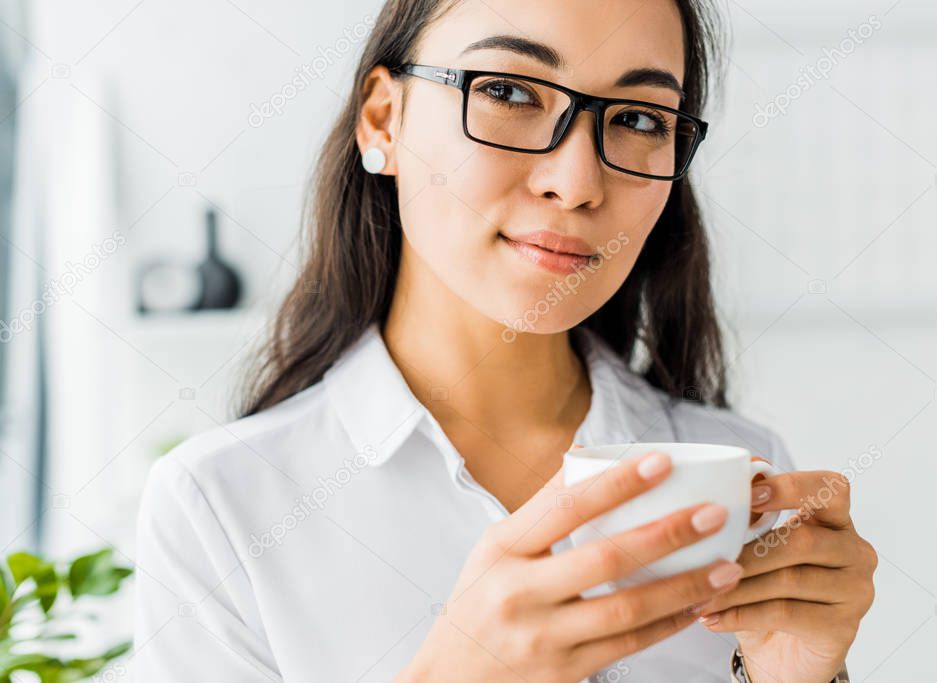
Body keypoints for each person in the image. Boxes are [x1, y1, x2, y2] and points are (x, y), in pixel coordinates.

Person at [134, 1, 876, 680]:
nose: (576, 180)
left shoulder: (742, 474)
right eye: (510, 92)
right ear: (382, 121)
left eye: (639, 119)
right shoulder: (221, 507)